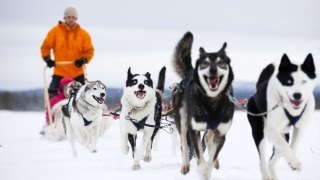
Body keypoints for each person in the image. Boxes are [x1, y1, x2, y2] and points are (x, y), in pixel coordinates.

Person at [40, 6, 94, 98]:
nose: (71, 19)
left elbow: (89, 50)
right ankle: (52, 110)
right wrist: (47, 59)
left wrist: (84, 60)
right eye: (68, 17)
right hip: (59, 72)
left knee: (85, 95)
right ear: (64, 18)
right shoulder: (55, 32)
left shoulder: (83, 34)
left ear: (76, 18)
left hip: (78, 72)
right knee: (52, 93)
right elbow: (45, 47)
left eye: (73, 17)